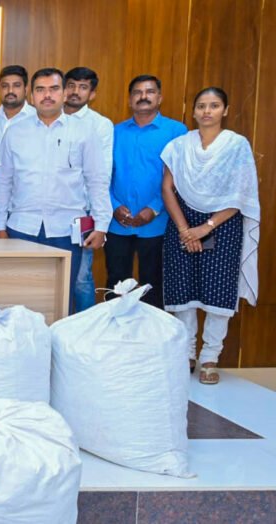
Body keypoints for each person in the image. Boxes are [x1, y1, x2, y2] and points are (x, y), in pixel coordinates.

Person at [161, 87, 260, 384]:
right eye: (201, 106)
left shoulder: (236, 145)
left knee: (218, 291)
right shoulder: (179, 146)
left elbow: (240, 194)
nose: (207, 111)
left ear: (225, 111)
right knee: (183, 289)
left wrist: (206, 228)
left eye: (214, 105)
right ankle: (186, 354)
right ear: (193, 111)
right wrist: (185, 230)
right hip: (182, 221)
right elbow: (167, 188)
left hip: (223, 224)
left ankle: (209, 358)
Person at [0, 68, 110, 312]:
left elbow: (97, 180)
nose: (47, 95)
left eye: (54, 89)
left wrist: (101, 225)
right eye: (40, 89)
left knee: (63, 298)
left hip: (66, 229)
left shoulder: (84, 131)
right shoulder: (15, 132)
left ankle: (59, 338)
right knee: (20, 297)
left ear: (64, 93)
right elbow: (3, 181)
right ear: (31, 95)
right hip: (22, 227)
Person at [107, 75, 186, 308]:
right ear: (129, 100)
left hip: (158, 223)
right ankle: (115, 328)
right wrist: (113, 206)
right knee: (115, 283)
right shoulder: (114, 132)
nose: (143, 96)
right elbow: (102, 175)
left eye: (150, 91)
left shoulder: (176, 131)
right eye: (137, 92)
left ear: (159, 98)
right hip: (117, 223)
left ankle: (150, 332)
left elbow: (179, 176)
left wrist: (154, 208)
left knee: (153, 285)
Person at [64, 67, 114, 312]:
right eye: (71, 85)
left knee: (81, 279)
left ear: (92, 94)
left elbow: (100, 175)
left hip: (82, 213)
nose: (75, 91)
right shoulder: (45, 118)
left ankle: (85, 330)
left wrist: (99, 221)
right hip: (46, 211)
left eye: (83, 87)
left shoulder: (100, 125)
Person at [0, 65, 35, 147]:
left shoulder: (37, 119)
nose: (10, 91)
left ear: (26, 90)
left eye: (16, 85)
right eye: (5, 86)